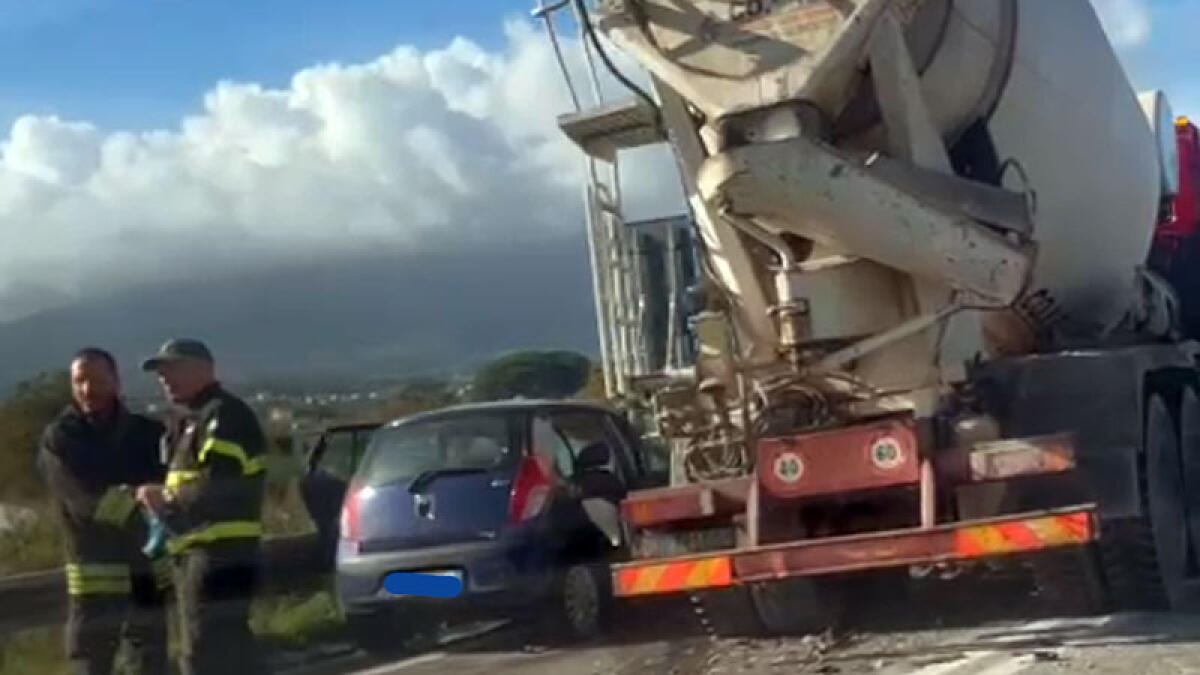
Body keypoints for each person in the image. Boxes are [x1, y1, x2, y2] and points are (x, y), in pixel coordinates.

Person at [134, 338, 267, 675]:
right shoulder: (189, 419)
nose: (164, 379)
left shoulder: (222, 415)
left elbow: (217, 484)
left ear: (204, 369)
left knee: (203, 652)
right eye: (160, 373)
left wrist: (165, 499)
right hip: (198, 552)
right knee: (234, 652)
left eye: (172, 369)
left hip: (217, 552)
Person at [37, 348, 169, 675]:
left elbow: (171, 489)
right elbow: (84, 501)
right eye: (79, 381)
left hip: (146, 572)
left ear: (116, 381)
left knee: (151, 660)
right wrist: (145, 508)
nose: (86, 389)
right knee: (91, 662)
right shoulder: (61, 438)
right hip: (94, 577)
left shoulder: (148, 433)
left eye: (95, 380)